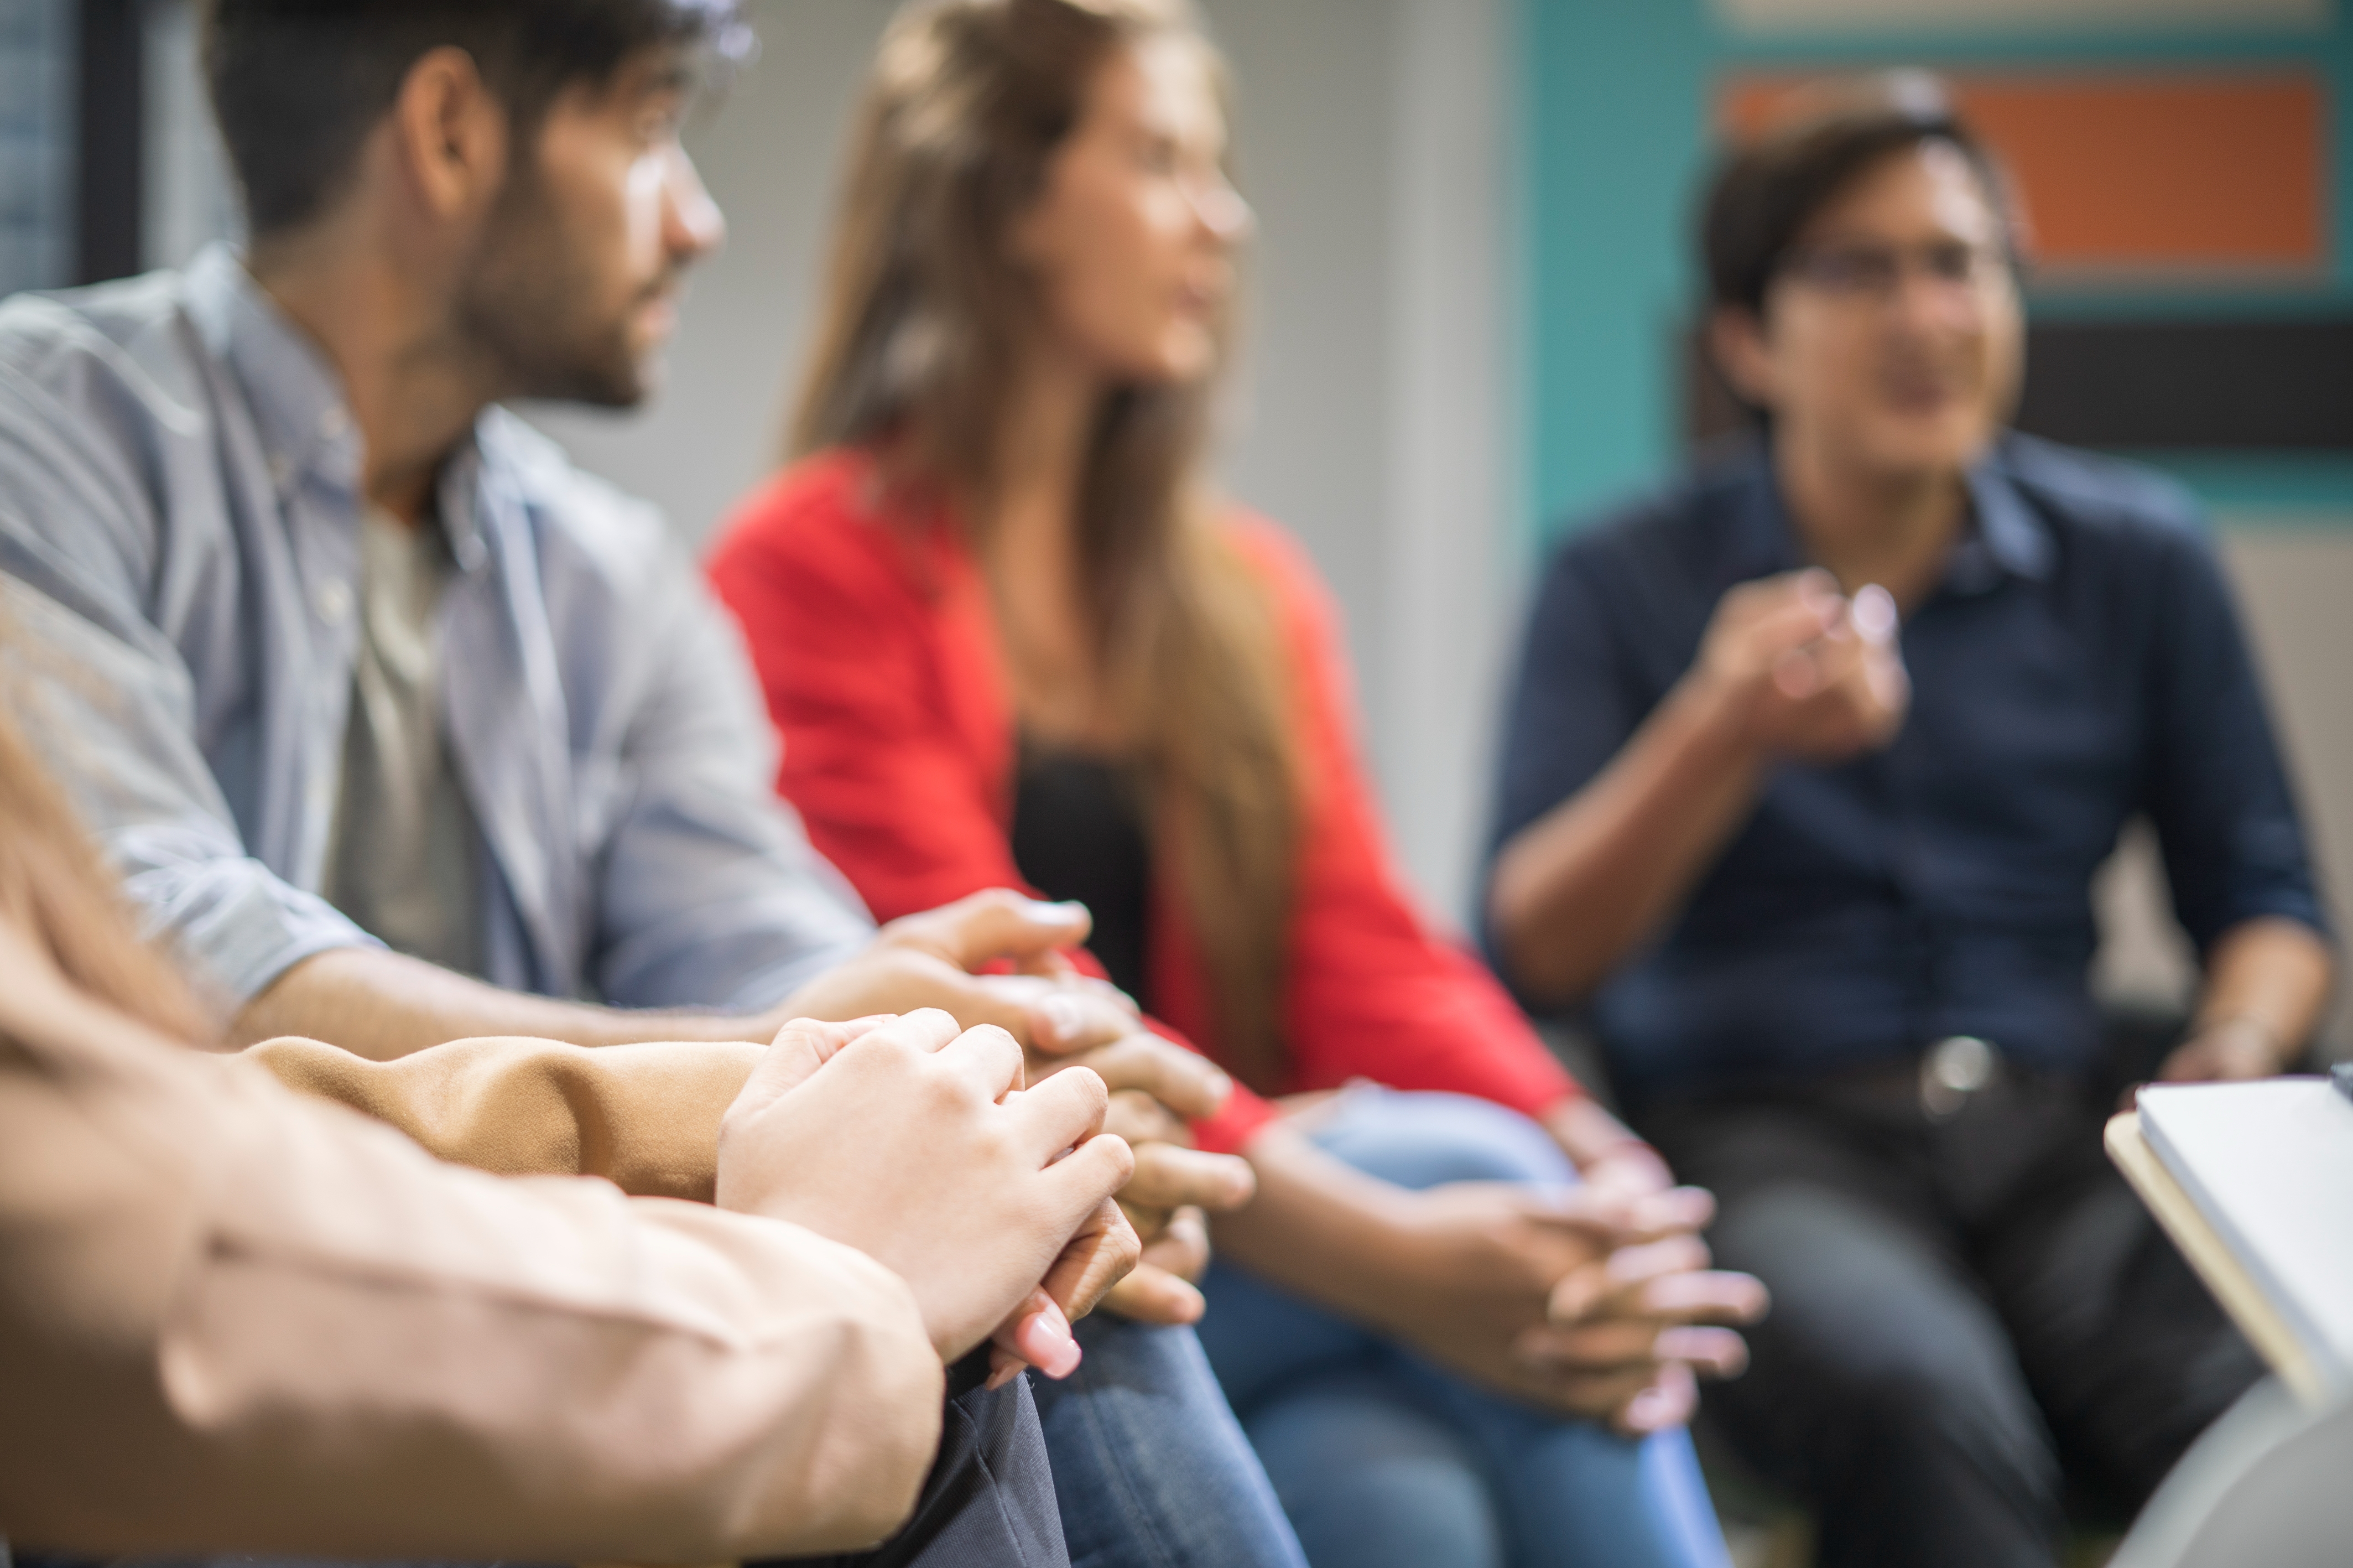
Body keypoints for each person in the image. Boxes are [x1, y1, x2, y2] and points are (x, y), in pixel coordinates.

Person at [0, 0, 1278, 1561]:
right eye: (651, 131)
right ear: (451, 134)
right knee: (986, 1252)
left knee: (1027, 1249)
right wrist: (806, 1072)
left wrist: (971, 1089)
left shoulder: (607, 574)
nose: (697, 220)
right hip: (238, 1356)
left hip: (565, 1322)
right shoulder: (38, 434)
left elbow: (765, 943)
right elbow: (170, 971)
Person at [706, 4, 1765, 1565]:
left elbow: (1361, 945)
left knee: (1394, 1488)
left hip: (1228, 1232)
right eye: (1159, 162)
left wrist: (1587, 1143)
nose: (1223, 219)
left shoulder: (1239, 592)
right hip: (1049, 1257)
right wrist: (1394, 1246)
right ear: (1004, 203)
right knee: (1464, 1170)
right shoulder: (808, 570)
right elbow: (1019, 1005)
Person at [1482, 75, 2335, 1568]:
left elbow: (2264, 898)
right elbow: (1527, 949)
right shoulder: (1619, 577)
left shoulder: (2134, 558)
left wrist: (2232, 1050)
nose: (1923, 315)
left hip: (2059, 1128)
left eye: (1956, 263)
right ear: (1746, 338)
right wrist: (1717, 729)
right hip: (1764, 1138)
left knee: (2260, 1403)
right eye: (1855, 270)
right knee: (1918, 1401)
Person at [0, 661, 1138, 1561]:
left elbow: (216, 1124)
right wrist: (827, 1281)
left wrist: (829, 1123)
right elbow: (165, 1275)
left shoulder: (598, 559)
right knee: (958, 1344)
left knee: (1006, 1245)